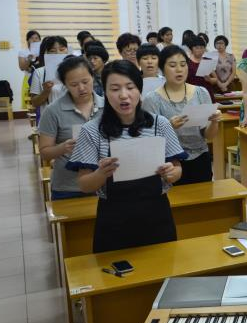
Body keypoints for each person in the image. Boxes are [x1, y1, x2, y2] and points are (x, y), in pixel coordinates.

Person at [67, 60, 186, 253]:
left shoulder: (160, 124)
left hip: (156, 214)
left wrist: (171, 173)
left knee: (163, 271)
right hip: (114, 218)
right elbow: (84, 184)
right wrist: (101, 174)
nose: (124, 96)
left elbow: (177, 169)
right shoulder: (91, 131)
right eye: (114, 89)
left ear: (139, 90)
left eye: (130, 87)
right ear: (104, 92)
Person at [142, 46, 220, 185]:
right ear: (162, 69)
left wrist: (214, 122)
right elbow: (149, 142)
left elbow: (209, 136)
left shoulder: (201, 93)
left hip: (200, 158)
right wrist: (168, 126)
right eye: (172, 65)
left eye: (183, 64)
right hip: (169, 163)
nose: (179, 69)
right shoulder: (152, 99)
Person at [38, 57, 104, 200]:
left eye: (85, 82)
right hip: (68, 186)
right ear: (65, 85)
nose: (81, 88)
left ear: (93, 77)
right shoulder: (53, 111)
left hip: (104, 183)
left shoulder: (108, 106)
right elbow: (44, 153)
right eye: (74, 84)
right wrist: (63, 148)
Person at [30, 36, 69, 111]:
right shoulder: (39, 72)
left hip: (71, 118)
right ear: (46, 52)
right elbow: (34, 103)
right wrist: (46, 91)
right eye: (52, 50)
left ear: (67, 50)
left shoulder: (75, 70)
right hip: (48, 118)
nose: (58, 53)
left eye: (62, 49)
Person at [185, 35, 218, 102]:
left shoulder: (207, 61)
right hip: (191, 94)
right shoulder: (186, 62)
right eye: (197, 48)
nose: (199, 50)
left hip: (207, 93)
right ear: (191, 49)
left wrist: (210, 80)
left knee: (209, 112)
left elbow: (216, 79)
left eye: (202, 47)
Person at [19, 30, 41, 109]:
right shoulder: (23, 52)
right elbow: (22, 67)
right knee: (31, 104)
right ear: (27, 40)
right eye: (31, 38)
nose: (34, 40)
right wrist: (29, 59)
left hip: (41, 78)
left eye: (36, 38)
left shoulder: (43, 51)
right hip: (29, 78)